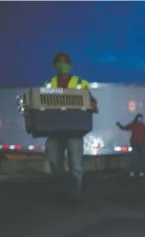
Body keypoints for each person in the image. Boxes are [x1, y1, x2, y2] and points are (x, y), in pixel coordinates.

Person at [44, 51, 98, 202]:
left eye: (64, 62)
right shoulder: (49, 84)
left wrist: (92, 104)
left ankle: (74, 196)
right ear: (55, 66)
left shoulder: (80, 83)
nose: (62, 65)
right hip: (54, 130)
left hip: (75, 129)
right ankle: (65, 186)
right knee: (54, 161)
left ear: (70, 64)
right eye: (59, 62)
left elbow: (92, 102)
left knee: (76, 165)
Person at [116, 113, 145, 177]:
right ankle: (133, 171)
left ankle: (140, 171)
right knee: (135, 158)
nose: (140, 119)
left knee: (141, 159)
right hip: (136, 144)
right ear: (137, 119)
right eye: (139, 118)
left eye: (141, 118)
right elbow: (124, 128)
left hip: (140, 144)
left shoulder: (143, 126)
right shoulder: (135, 125)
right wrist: (119, 125)